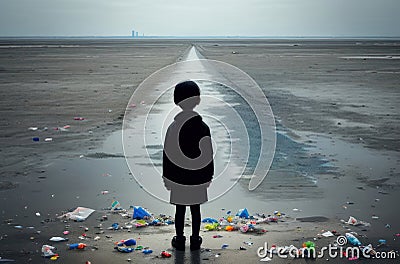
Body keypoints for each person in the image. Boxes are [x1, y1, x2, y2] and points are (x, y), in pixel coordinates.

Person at [163, 80, 214, 251]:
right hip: (198, 177)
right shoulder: (203, 127)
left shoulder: (173, 127)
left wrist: (167, 177)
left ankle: (179, 239)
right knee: (195, 209)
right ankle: (195, 239)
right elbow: (208, 155)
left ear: (176, 101)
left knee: (180, 209)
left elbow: (168, 155)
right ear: (197, 100)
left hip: (178, 177)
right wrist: (208, 177)